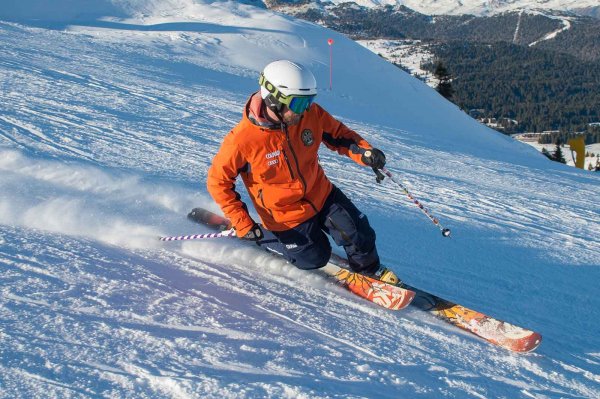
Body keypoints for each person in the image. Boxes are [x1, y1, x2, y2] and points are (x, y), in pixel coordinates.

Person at [207, 60, 399, 284]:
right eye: (299, 104)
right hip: (285, 215)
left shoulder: (309, 115)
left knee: (359, 233)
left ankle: (370, 272)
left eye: (309, 101)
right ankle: (266, 237)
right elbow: (217, 182)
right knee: (313, 258)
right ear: (274, 99)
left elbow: (339, 135)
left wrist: (365, 153)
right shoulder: (242, 141)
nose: (306, 109)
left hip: (320, 192)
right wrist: (242, 222)